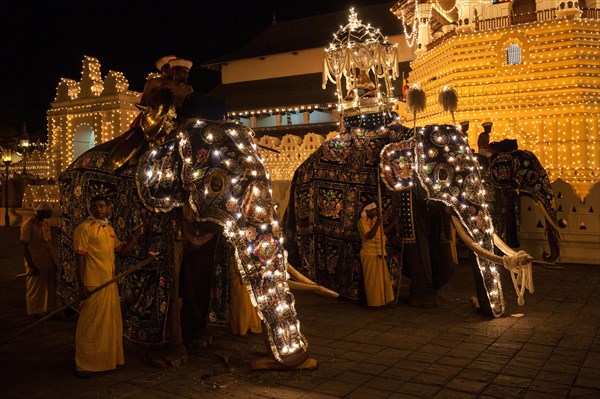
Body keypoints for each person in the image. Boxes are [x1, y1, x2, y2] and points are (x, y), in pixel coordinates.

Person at [74, 195, 142, 378]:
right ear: (90, 208)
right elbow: (79, 259)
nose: (99, 210)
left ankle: (106, 361)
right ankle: (86, 364)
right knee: (90, 325)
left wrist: (136, 237)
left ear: (108, 208)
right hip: (93, 284)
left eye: (102, 206)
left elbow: (123, 251)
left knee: (109, 325)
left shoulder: (109, 230)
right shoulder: (84, 229)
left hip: (109, 284)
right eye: (95, 207)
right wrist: (81, 286)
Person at [19, 201, 57, 318]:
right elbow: (25, 247)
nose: (50, 213)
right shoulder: (27, 224)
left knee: (50, 285)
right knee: (35, 286)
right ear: (40, 212)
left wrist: (53, 262)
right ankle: (35, 311)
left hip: (46, 258)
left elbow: (48, 243)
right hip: (34, 258)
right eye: (48, 211)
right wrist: (31, 266)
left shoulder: (46, 223)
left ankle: (49, 310)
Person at [357, 202, 397, 307]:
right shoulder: (362, 221)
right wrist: (378, 222)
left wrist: (393, 224)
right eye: (374, 210)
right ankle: (375, 303)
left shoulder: (375, 219)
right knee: (373, 281)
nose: (376, 211)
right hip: (369, 253)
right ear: (367, 211)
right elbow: (370, 235)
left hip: (379, 252)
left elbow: (381, 232)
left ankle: (387, 300)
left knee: (383, 278)